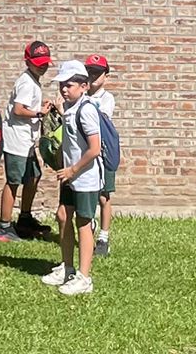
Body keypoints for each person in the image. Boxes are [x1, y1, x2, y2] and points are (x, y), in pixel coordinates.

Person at [40, 60, 103, 296]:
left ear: (84, 86)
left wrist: (73, 170)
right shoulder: (70, 108)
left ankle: (84, 278)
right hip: (70, 175)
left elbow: (94, 149)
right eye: (61, 85)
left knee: (84, 223)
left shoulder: (87, 110)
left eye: (69, 85)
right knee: (63, 216)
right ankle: (67, 268)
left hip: (84, 178)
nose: (64, 89)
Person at [0, 40, 52, 242]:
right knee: (14, 182)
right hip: (17, 140)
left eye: (45, 63)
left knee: (34, 176)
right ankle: (4, 226)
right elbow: (18, 110)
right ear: (28, 62)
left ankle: (25, 218)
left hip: (26, 141)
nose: (42, 67)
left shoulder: (32, 80)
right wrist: (39, 112)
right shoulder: (27, 82)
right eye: (38, 63)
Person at [84, 55, 115, 257]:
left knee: (104, 196)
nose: (93, 76)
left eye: (98, 73)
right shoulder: (80, 95)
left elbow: (100, 120)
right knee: (87, 194)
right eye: (90, 72)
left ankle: (103, 237)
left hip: (103, 152)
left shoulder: (106, 99)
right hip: (85, 153)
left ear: (106, 76)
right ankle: (89, 224)